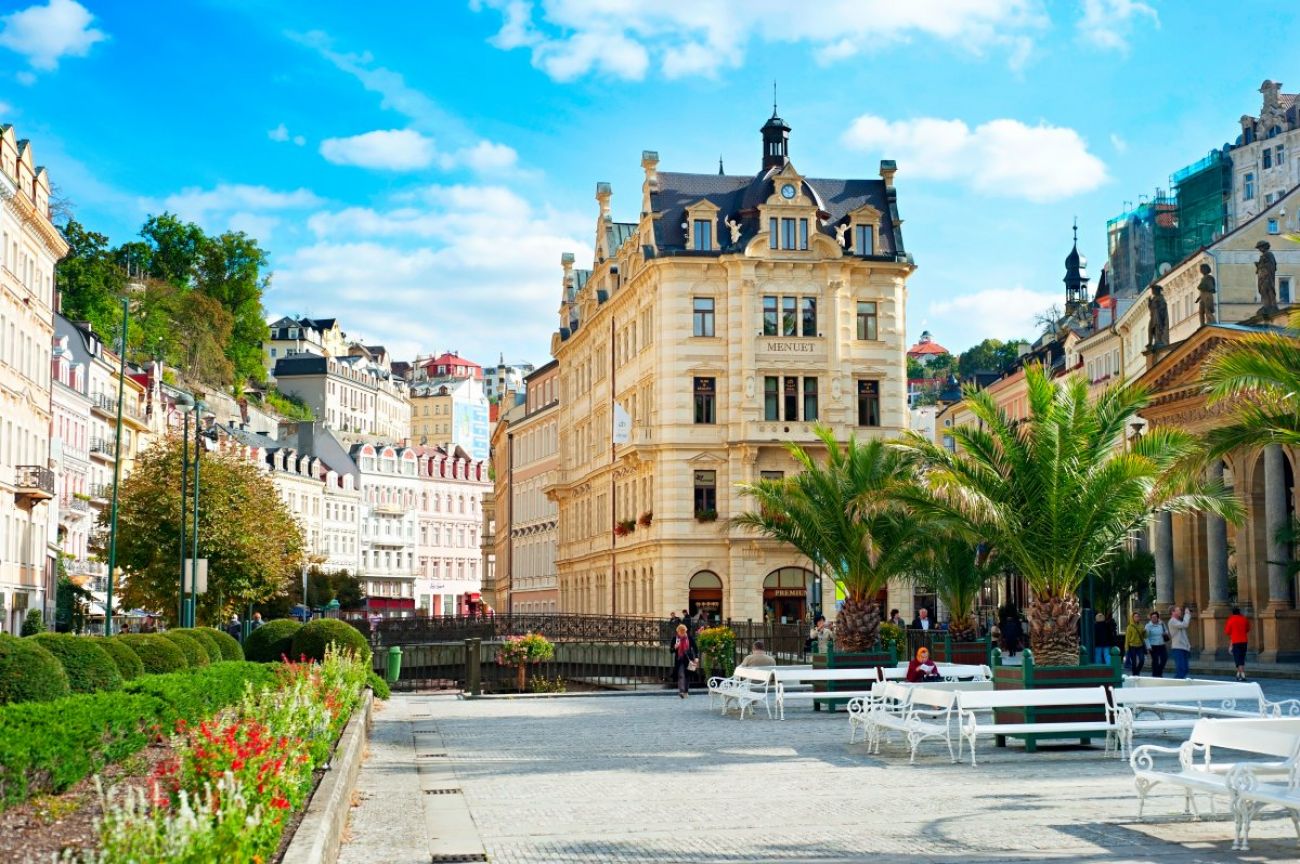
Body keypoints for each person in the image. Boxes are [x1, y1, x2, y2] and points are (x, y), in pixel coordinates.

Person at [671, 623, 697, 698]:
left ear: (685, 631)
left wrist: (696, 657)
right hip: (679, 659)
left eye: (684, 631)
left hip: (688, 659)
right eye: (681, 632)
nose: (682, 633)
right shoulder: (675, 638)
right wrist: (675, 647)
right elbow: (671, 650)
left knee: (687, 676)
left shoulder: (689, 638)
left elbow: (695, 648)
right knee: (681, 675)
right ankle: (682, 691)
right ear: (678, 632)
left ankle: (686, 691)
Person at [1225, 607, 1250, 681]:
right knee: (1242, 657)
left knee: (1237, 658)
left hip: (1235, 641)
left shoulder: (1231, 620)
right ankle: (1238, 673)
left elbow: (1227, 631)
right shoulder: (1244, 619)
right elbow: (1248, 629)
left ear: (1232, 613)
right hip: (1244, 641)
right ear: (1239, 612)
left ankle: (1242, 673)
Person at [1167, 605, 1193, 679]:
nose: (1180, 612)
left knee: (1185, 669)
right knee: (1181, 669)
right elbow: (1185, 624)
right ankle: (1176, 683)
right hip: (1178, 648)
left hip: (1184, 647)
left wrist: (1188, 645)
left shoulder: (1178, 621)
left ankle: (1179, 682)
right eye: (1178, 610)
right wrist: (1187, 614)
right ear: (1173, 612)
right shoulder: (1172, 621)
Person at [1144, 610, 1169, 678]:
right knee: (1155, 660)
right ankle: (1155, 674)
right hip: (1153, 646)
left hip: (1162, 645)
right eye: (1152, 617)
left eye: (1155, 617)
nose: (1154, 618)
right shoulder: (1148, 626)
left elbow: (1166, 630)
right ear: (1150, 618)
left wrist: (1165, 633)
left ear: (1158, 618)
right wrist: (1148, 646)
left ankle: (1159, 672)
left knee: (1164, 659)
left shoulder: (1161, 624)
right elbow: (1146, 637)